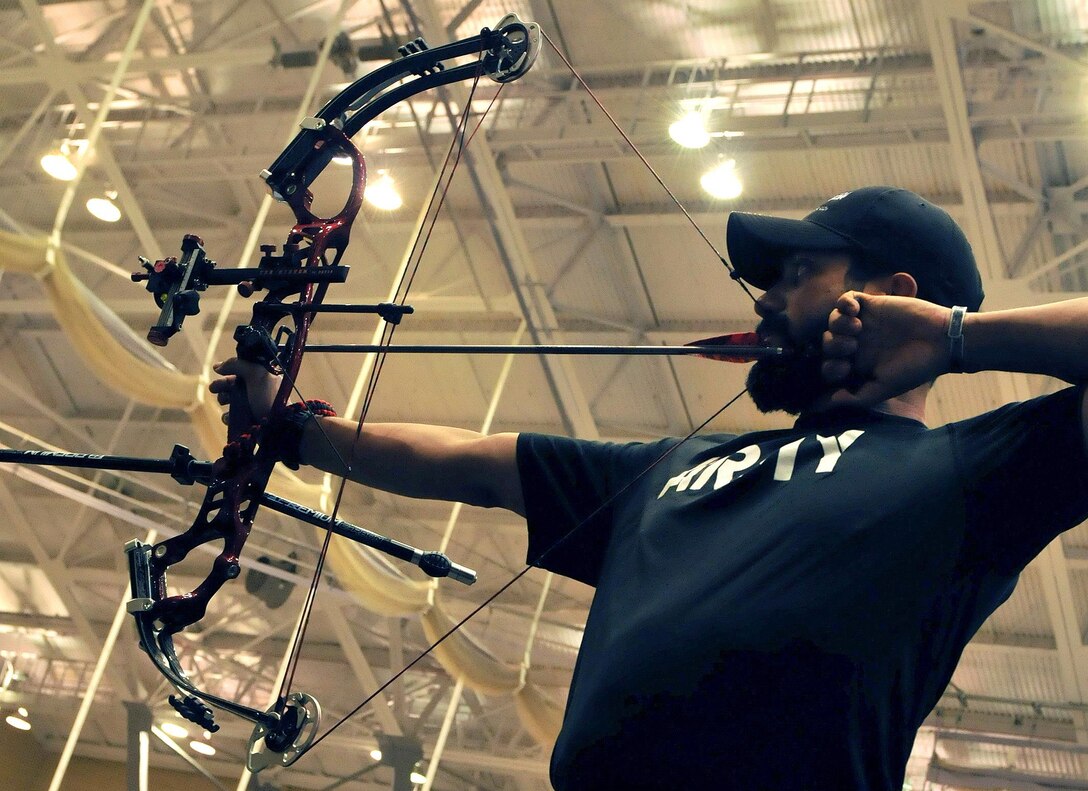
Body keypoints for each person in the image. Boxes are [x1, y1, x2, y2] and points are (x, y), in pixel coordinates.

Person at [212, 186, 1088, 790]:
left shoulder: (966, 475)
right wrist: (292, 428)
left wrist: (959, 337)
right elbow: (472, 460)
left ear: (893, 292)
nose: (766, 300)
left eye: (796, 274)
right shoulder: (665, 470)